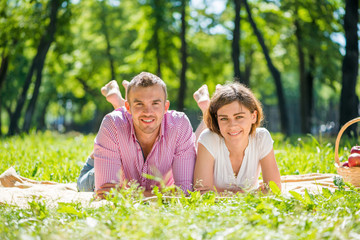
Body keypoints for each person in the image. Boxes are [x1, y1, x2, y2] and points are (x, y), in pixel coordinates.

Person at [78, 72, 197, 198]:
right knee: (84, 186)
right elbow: (106, 194)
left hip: (125, 175)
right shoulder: (112, 123)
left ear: (166, 106)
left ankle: (118, 103)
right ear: (128, 107)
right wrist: (160, 195)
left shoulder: (179, 125)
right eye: (139, 104)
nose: (148, 112)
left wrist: (128, 193)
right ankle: (97, 154)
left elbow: (185, 192)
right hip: (100, 169)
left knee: (135, 123)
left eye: (155, 103)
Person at [193, 82, 281, 193]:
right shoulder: (208, 139)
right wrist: (248, 195)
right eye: (224, 118)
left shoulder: (261, 137)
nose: (232, 125)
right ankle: (206, 108)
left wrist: (226, 196)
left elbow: (274, 189)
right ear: (217, 120)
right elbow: (201, 192)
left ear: (253, 116)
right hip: (205, 141)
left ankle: (209, 106)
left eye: (239, 117)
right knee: (195, 143)